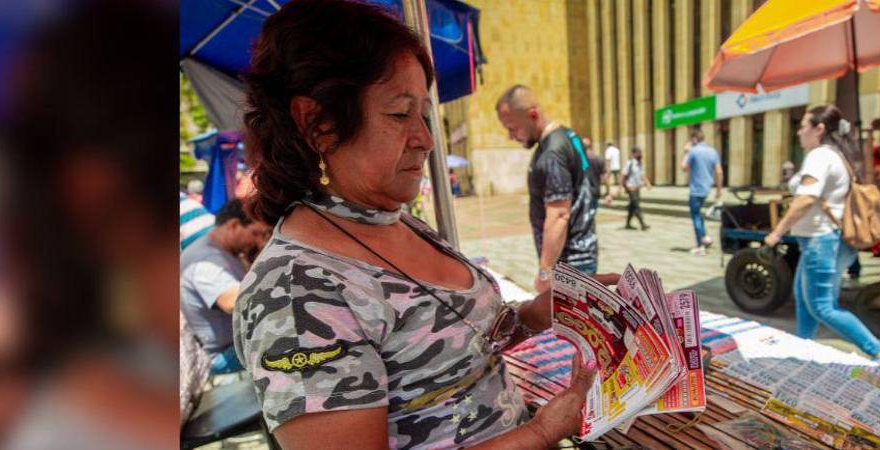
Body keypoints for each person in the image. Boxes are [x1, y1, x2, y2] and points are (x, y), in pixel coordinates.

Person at [234, 3, 612, 448]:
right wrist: (545, 429)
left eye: (424, 115)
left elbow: (463, 343)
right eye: (399, 115)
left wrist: (541, 312)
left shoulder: (397, 222)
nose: (425, 139)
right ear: (318, 124)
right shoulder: (297, 294)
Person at [764, 104, 880, 369]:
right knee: (804, 300)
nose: (798, 132)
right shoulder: (832, 155)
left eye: (803, 125)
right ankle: (802, 349)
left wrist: (777, 232)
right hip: (820, 240)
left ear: (819, 128)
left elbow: (806, 198)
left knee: (821, 306)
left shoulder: (820, 156)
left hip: (822, 239)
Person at [496, 84, 599, 287]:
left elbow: (559, 214)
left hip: (570, 264)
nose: (511, 136)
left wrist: (545, 271)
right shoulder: (569, 136)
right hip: (581, 256)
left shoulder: (552, 152)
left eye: (512, 128)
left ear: (532, 114)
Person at [180, 200, 270, 374]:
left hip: (238, 344)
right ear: (234, 225)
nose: (259, 242)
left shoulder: (222, 250)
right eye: (256, 234)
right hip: (226, 354)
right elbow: (235, 302)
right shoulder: (205, 260)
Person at [680, 128, 721, 256]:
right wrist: (719, 190)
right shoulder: (713, 151)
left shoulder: (693, 151)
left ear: (694, 139)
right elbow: (719, 172)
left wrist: (686, 152)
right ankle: (705, 237)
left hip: (696, 189)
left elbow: (684, 168)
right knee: (698, 214)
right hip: (707, 189)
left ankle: (700, 246)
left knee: (696, 216)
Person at [621, 146, 651, 230]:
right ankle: (642, 224)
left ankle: (627, 224)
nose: (640, 154)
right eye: (638, 152)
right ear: (633, 154)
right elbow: (623, 176)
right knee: (636, 206)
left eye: (640, 152)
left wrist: (647, 183)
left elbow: (642, 175)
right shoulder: (629, 163)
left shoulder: (640, 164)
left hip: (637, 188)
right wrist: (620, 188)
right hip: (631, 188)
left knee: (632, 206)